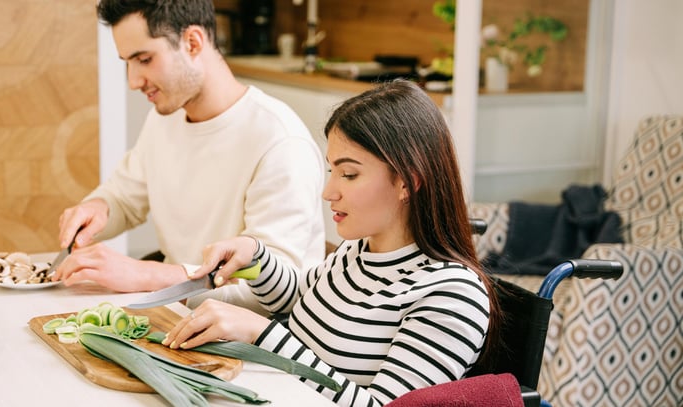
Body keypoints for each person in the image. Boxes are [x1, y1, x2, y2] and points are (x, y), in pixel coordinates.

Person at [164, 79, 502, 406]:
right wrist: (256, 257)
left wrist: (262, 334)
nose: (328, 193)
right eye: (331, 172)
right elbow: (300, 299)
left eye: (349, 174)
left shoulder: (452, 296)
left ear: (408, 182)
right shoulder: (359, 251)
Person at [52, 0, 326, 314]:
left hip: (255, 338)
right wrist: (98, 207)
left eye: (144, 59)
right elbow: (125, 199)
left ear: (192, 42)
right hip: (178, 315)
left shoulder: (280, 141)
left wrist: (145, 274)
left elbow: (269, 286)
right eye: (127, 62)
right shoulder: (164, 118)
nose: (133, 81)